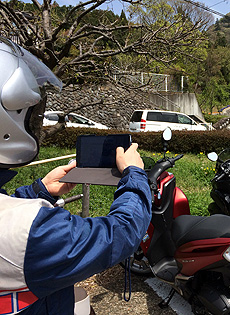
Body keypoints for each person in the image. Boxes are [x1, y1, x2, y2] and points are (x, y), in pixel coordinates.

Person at [0, 37, 152, 314]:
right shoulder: (31, 233)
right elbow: (119, 234)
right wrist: (135, 175)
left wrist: (38, 191)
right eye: (30, 113)